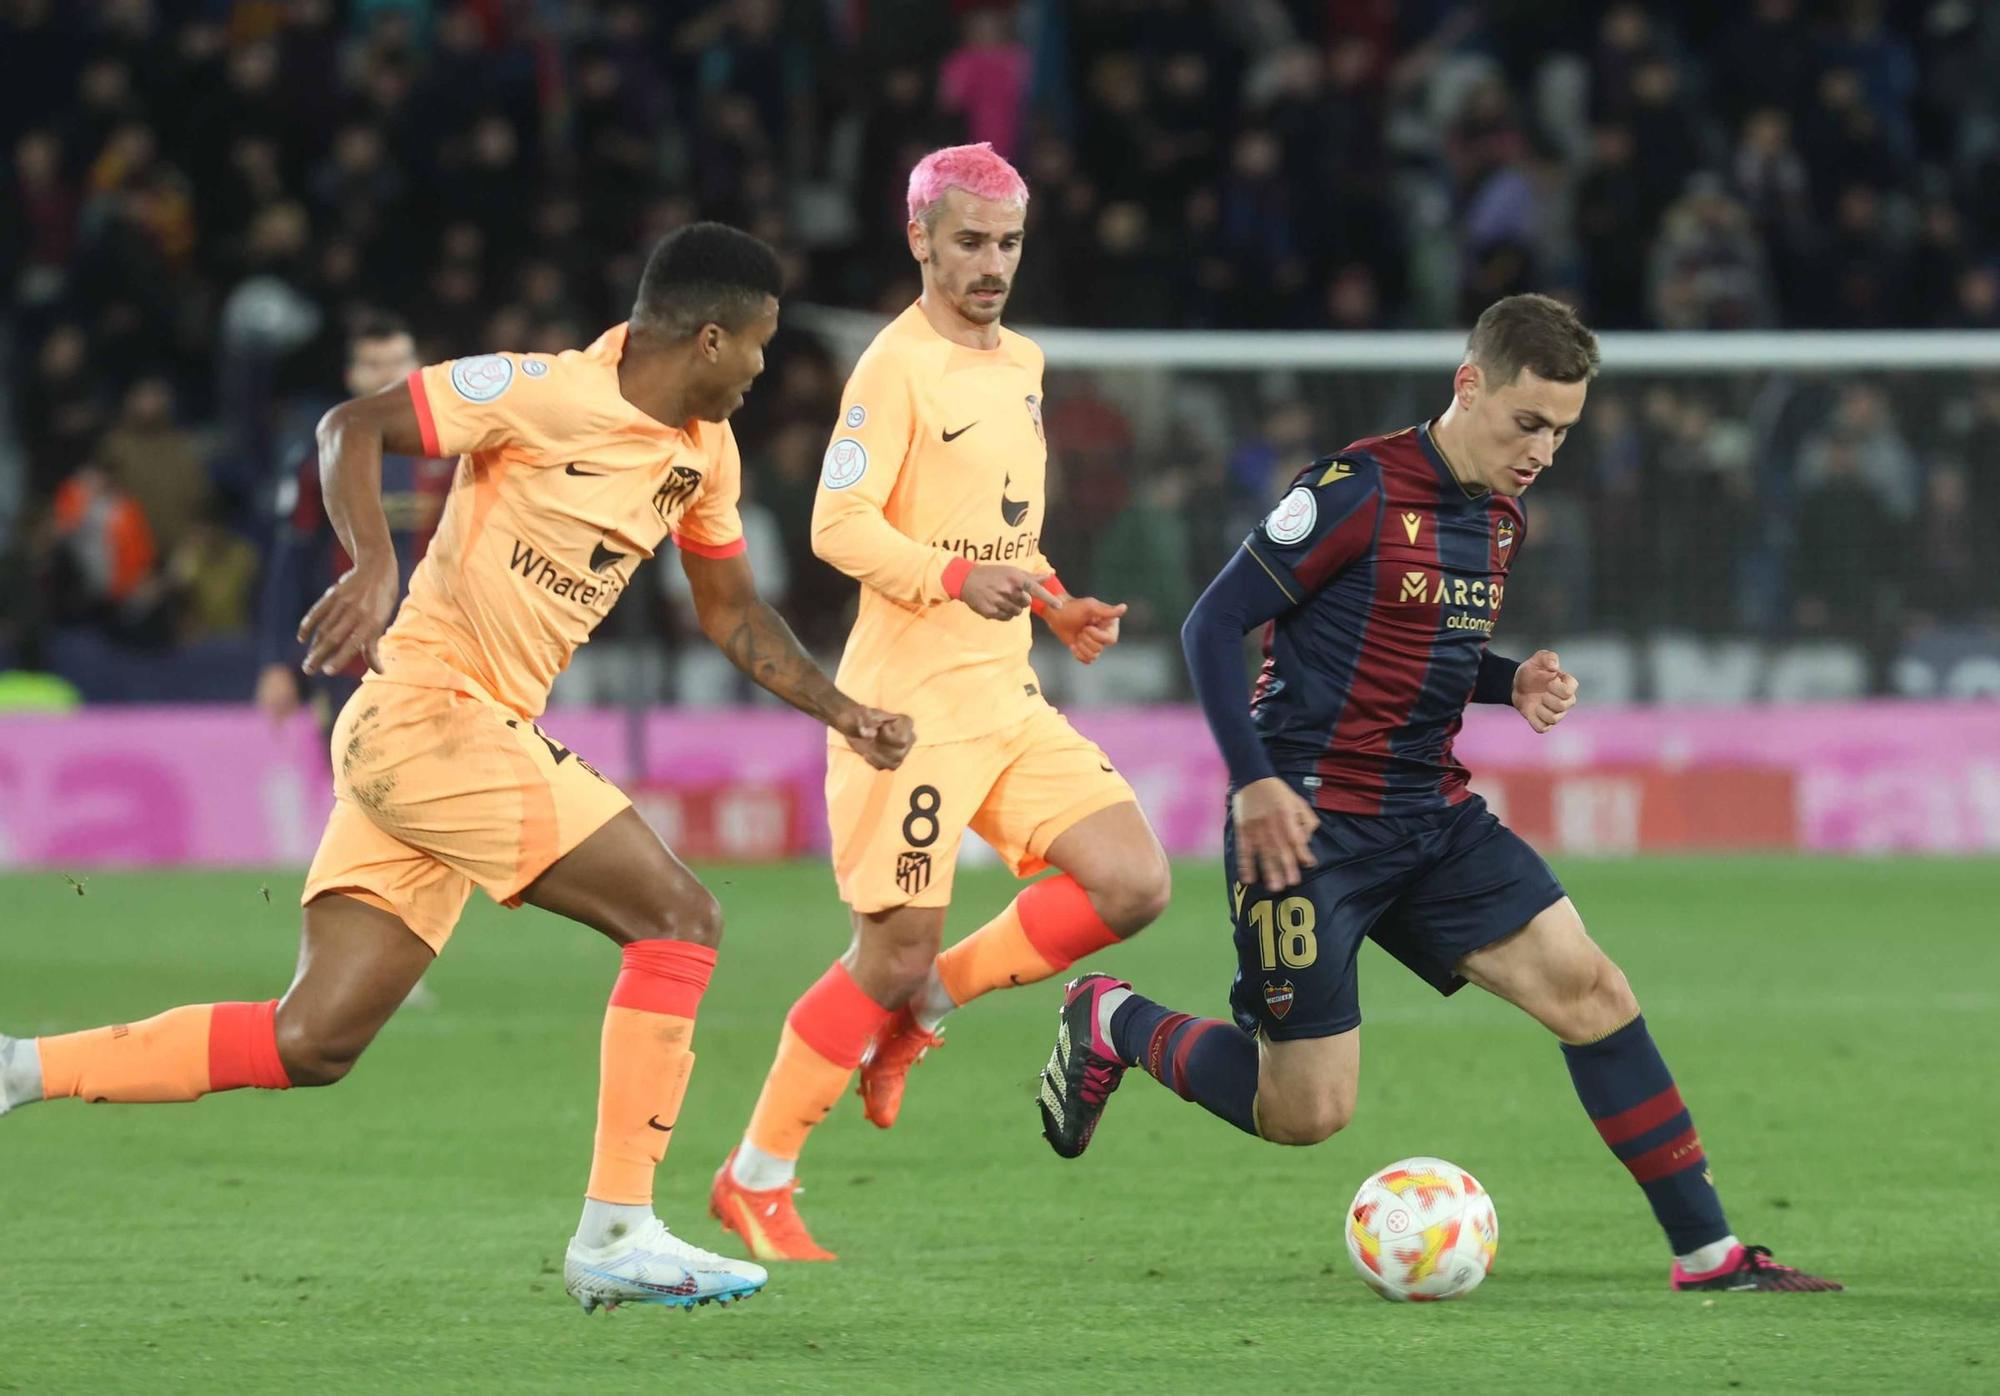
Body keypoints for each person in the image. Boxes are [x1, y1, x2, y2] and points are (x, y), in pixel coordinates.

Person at [0, 223, 915, 1314]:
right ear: (709, 336)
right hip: (434, 715)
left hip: (438, 742)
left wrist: (842, 708)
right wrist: (375, 560)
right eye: (759, 347)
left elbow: (729, 610)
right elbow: (351, 426)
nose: (766, 372)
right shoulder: (540, 391)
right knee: (680, 919)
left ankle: (18, 1067)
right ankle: (616, 1230)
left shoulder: (700, 456)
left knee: (314, 1039)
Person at [1033, 294, 1841, 1294]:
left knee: (1592, 992)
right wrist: (1251, 787)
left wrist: (1510, 682)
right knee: (1305, 1111)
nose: (1541, 449)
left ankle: (1708, 1255)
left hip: (1428, 814)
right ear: (1469, 384)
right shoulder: (1353, 488)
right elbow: (1210, 626)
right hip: (1303, 826)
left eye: (1561, 430)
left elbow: (1421, 649)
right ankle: (1110, 1020)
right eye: (1527, 421)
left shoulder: (1500, 515)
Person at [709, 144, 1171, 1262]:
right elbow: (839, 525)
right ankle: (755, 1176)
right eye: (968, 242)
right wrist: (960, 580)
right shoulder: (891, 366)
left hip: (1004, 692)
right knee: (889, 949)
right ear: (918, 237)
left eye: (1007, 244)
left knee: (1131, 879)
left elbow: (999, 528)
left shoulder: (1022, 361)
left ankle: (923, 1015)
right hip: (904, 709)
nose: (990, 265)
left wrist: (1052, 602)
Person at [254, 313, 455, 735]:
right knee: (364, 792)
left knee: (439, 793)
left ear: (418, 368)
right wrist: (276, 661)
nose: (388, 373)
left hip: (441, 657)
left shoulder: (456, 451)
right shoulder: (319, 458)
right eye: (374, 364)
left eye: (398, 360)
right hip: (349, 662)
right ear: (352, 375)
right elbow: (290, 564)